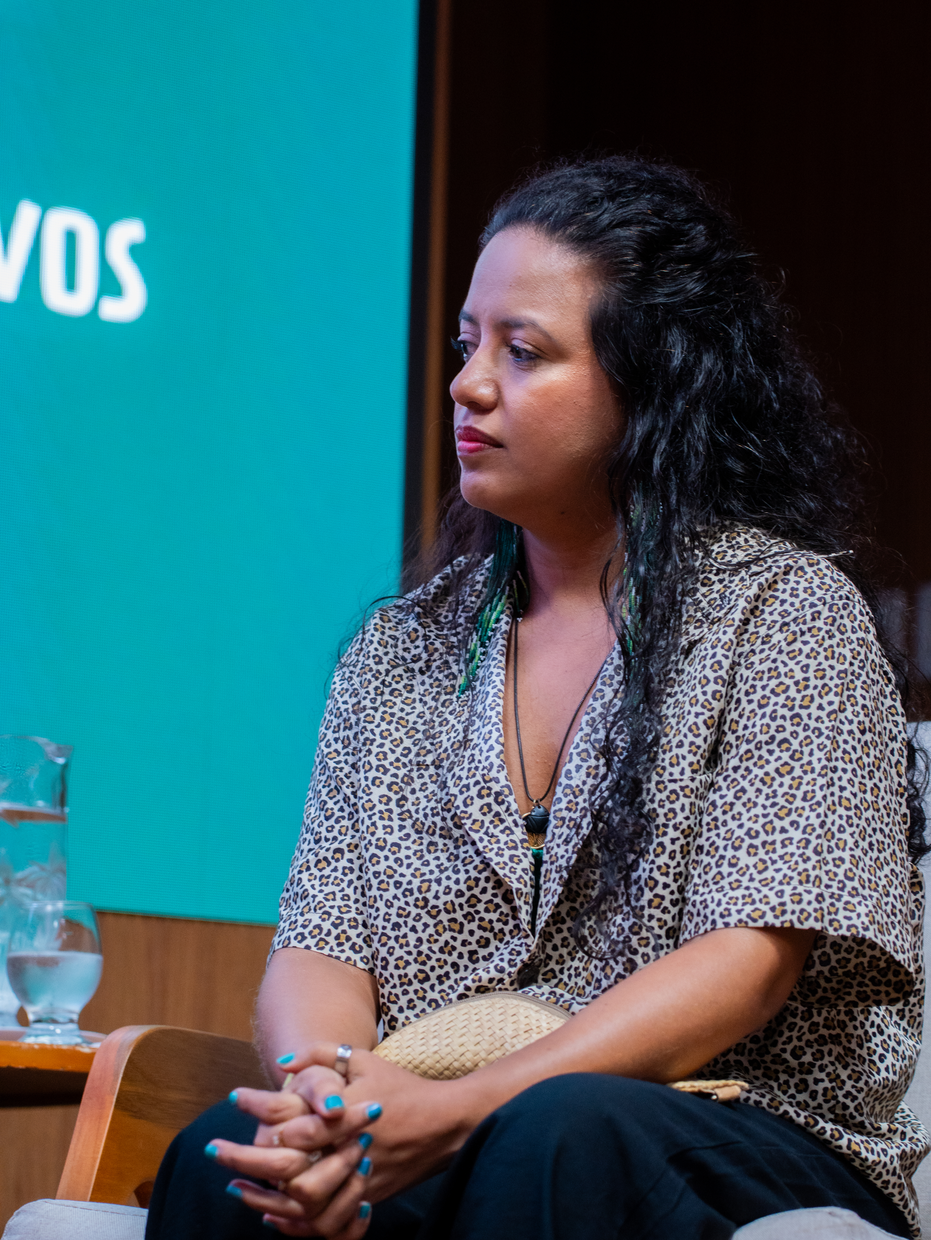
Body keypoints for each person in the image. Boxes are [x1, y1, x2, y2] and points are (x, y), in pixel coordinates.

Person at [145, 156, 929, 1240]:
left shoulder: (782, 613)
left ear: (652, 383)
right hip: (467, 1124)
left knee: (553, 1131)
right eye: (466, 344)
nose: (468, 385)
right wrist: (325, 1100)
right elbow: (321, 943)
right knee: (225, 1164)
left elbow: (745, 966)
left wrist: (463, 1108)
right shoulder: (398, 650)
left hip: (741, 1125)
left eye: (522, 351)